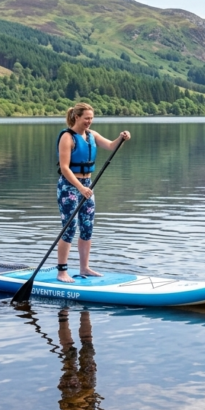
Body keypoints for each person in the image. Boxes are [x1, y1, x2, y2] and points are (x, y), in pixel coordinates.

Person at [56, 103, 131, 283]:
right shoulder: (67, 137)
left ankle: (84, 268)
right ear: (76, 117)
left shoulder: (92, 135)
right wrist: (80, 188)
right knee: (69, 228)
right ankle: (62, 272)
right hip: (69, 186)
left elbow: (112, 146)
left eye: (91, 118)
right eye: (86, 118)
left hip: (88, 184)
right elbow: (65, 168)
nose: (89, 121)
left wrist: (121, 138)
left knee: (87, 227)